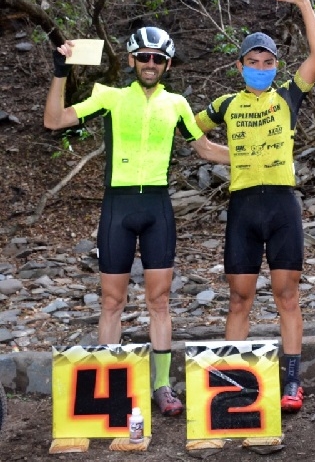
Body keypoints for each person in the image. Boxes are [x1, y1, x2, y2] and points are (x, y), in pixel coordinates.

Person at [44, 27, 230, 416]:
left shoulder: (177, 103)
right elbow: (54, 120)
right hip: (118, 206)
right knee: (112, 301)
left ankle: (161, 385)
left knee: (159, 301)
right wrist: (61, 70)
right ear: (131, 60)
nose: (150, 64)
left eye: (158, 59)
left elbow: (206, 149)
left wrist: (258, 154)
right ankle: (111, 387)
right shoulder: (109, 96)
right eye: (143, 57)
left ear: (167, 65)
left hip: (157, 208)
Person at [194, 0, 315, 412]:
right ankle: (233, 384)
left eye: (268, 62)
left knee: (287, 295)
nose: (261, 67)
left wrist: (301, 1)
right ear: (240, 66)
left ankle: (292, 382)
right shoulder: (226, 104)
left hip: (282, 205)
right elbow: (192, 133)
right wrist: (230, 156)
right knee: (239, 298)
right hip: (243, 207)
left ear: (275, 67)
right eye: (253, 61)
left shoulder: (287, 96)